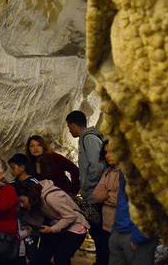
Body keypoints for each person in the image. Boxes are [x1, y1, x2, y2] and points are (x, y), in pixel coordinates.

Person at [66, 110, 107, 265]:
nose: (69, 130)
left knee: (99, 232)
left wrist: (87, 186)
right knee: (98, 231)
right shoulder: (88, 138)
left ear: (73, 124)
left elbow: (96, 167)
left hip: (95, 193)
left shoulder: (88, 138)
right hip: (95, 192)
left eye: (69, 127)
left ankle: (103, 261)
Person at [27, 179, 90, 265]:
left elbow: (70, 216)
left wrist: (52, 229)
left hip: (76, 227)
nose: (21, 204)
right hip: (60, 225)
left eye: (22, 201)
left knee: (61, 258)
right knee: (44, 255)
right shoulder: (36, 199)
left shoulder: (52, 197)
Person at [109, 171, 158, 265]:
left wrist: (138, 237)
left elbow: (153, 207)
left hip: (137, 237)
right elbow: (122, 199)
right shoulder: (124, 166)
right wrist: (115, 231)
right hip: (119, 232)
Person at [9, 153, 42, 265]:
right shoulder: (13, 184)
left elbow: (35, 202)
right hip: (18, 225)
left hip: (32, 225)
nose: (11, 171)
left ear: (22, 168)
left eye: (13, 168)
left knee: (31, 251)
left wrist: (25, 201)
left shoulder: (34, 183)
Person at [92, 140, 120, 265]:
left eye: (112, 152)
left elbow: (120, 199)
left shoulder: (126, 173)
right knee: (104, 256)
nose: (108, 155)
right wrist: (111, 193)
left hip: (121, 227)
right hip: (106, 224)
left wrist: (107, 194)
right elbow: (97, 196)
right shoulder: (108, 172)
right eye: (106, 152)